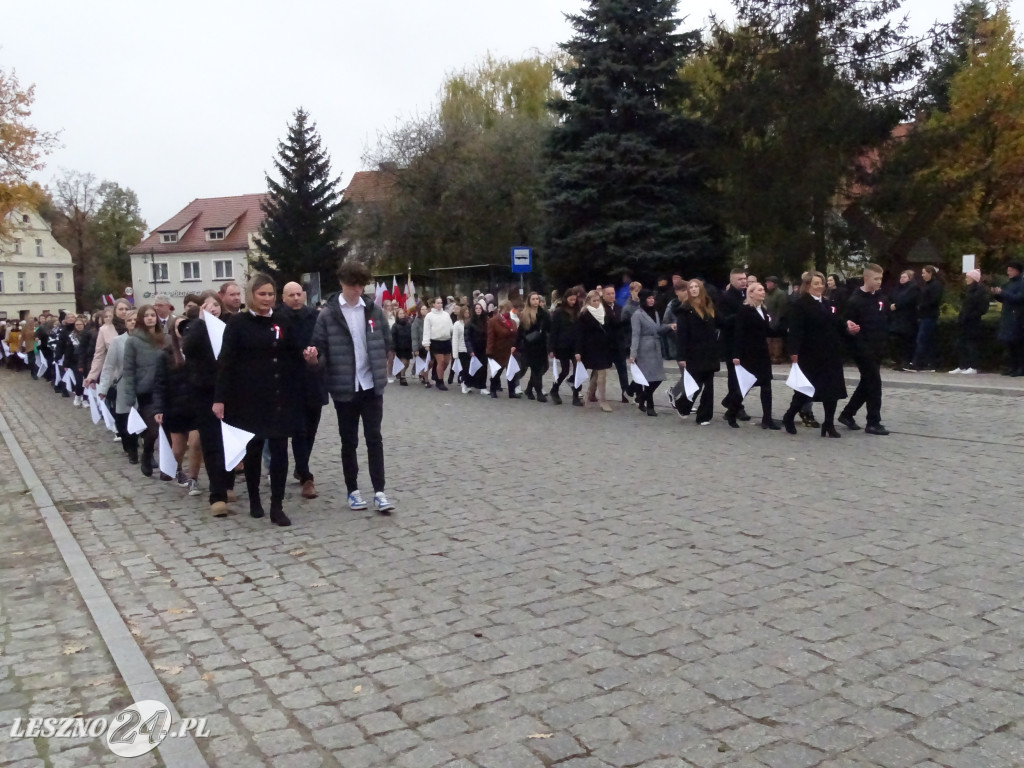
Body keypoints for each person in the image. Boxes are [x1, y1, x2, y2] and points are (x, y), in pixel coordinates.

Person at [304, 260, 395, 515]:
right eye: (354, 284)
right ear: (343, 283)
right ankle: (353, 490)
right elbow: (320, 349)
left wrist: (382, 367)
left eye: (362, 285)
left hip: (371, 385)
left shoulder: (373, 311)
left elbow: (386, 340)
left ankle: (379, 491)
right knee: (349, 441)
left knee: (374, 438)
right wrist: (313, 360)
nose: (358, 289)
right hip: (345, 387)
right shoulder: (328, 314)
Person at [214, 274, 303, 526]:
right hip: (248, 398)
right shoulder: (238, 323)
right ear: (251, 295)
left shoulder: (282, 320)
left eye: (270, 294)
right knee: (253, 451)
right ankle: (255, 498)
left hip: (278, 396)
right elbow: (226, 362)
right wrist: (220, 398)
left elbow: (294, 353)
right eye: (261, 294)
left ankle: (277, 505)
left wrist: (309, 357)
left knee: (279, 450)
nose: (266, 299)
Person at [782, 271, 860, 438]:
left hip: (830, 353)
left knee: (831, 391)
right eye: (815, 283)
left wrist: (847, 326)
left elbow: (835, 321)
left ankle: (829, 424)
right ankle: (789, 416)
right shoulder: (800, 304)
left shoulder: (825, 302)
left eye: (821, 283)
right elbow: (796, 330)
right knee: (804, 390)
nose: (819, 286)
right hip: (809, 354)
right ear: (808, 285)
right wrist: (793, 351)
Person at [182, 292, 237, 517]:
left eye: (216, 304)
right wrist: (202, 322)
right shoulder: (194, 327)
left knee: (232, 442)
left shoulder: (231, 325)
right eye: (208, 305)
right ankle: (217, 495)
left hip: (231, 392)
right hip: (205, 393)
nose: (213, 308)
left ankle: (228, 483)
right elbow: (188, 348)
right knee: (212, 443)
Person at [279, 281, 328, 499]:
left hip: (313, 378)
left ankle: (301, 466)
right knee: (298, 430)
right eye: (291, 295)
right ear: (284, 297)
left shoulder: (315, 316)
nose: (296, 298)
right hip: (290, 381)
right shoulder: (278, 318)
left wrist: (316, 359)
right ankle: (307, 476)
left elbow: (324, 344)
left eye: (299, 294)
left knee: (311, 428)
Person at [838, 264, 890, 435]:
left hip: (878, 346)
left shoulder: (881, 297)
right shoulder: (855, 300)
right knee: (874, 383)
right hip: (862, 348)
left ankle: (847, 414)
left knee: (867, 383)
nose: (879, 282)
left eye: (880, 278)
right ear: (866, 278)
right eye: (876, 279)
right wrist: (850, 330)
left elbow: (885, 319)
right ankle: (873, 421)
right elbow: (846, 324)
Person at [152, 317, 201, 492]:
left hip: (196, 406)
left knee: (196, 443)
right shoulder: (165, 354)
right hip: (176, 407)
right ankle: (177, 469)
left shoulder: (198, 350)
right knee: (178, 449)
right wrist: (158, 408)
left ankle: (193, 477)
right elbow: (159, 384)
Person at [121, 305, 169, 475]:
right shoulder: (133, 341)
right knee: (153, 430)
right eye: (147, 315)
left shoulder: (165, 339)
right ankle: (147, 454)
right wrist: (130, 396)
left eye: (152, 315)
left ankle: (166, 465)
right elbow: (129, 370)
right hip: (146, 391)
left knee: (167, 430)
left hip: (165, 389)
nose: (150, 318)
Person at [731, 282, 782, 429]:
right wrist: (736, 354)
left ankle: (767, 419)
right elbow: (739, 333)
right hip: (748, 354)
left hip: (762, 353)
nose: (763, 292)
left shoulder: (763, 310)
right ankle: (732, 412)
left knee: (766, 385)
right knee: (745, 386)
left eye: (763, 290)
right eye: (759, 290)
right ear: (751, 293)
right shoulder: (745, 310)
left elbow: (768, 331)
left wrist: (785, 331)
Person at [675, 280, 720, 425]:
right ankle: (683, 404)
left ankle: (704, 415)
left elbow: (722, 322)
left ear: (701, 289)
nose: (694, 289)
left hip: (710, 351)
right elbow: (682, 335)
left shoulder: (708, 306)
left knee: (709, 385)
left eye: (696, 287)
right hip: (694, 352)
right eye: (691, 287)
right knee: (696, 383)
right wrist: (681, 355)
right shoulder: (685, 310)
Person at [628, 289, 671, 416]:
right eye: (649, 298)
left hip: (655, 347)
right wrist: (633, 353)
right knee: (649, 379)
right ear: (643, 299)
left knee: (658, 378)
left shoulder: (655, 312)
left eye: (653, 298)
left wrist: (669, 327)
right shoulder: (637, 315)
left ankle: (641, 398)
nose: (652, 300)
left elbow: (658, 329)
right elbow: (635, 335)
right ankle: (650, 406)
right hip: (644, 349)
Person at [717, 268, 751, 422]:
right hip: (731, 342)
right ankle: (736, 407)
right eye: (740, 279)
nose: (743, 281)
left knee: (750, 375)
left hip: (747, 342)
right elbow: (722, 321)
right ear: (731, 281)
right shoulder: (725, 297)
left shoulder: (748, 294)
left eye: (745, 278)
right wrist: (742, 313)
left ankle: (730, 400)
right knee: (735, 376)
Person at [576, 290, 614, 412]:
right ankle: (602, 399)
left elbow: (611, 327)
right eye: (594, 301)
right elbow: (580, 334)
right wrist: (578, 351)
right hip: (591, 347)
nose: (597, 303)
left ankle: (588, 395)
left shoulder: (604, 311)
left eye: (598, 300)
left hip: (604, 346)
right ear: (588, 301)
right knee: (602, 373)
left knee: (597, 373)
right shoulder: (584, 314)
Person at [949, 269, 989, 375]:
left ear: (974, 279)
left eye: (968, 277)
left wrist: (972, 315)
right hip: (964, 321)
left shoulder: (980, 290)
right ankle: (963, 365)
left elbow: (983, 307)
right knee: (960, 343)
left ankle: (973, 366)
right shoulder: (968, 290)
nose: (966, 279)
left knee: (971, 344)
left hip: (973, 321)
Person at [548, 287, 583, 405]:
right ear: (566, 299)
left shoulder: (578, 312)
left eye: (574, 300)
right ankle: (555, 389)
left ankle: (576, 396)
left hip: (576, 345)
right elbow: (553, 331)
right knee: (565, 370)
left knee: (577, 370)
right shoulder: (559, 312)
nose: (573, 302)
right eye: (571, 299)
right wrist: (551, 348)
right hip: (562, 345)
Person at [992, 260, 1024, 376]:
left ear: (1017, 271)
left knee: (1018, 344)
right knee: (1009, 343)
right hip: (1008, 316)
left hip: (1017, 316)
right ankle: (1012, 366)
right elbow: (1005, 298)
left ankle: (1020, 367)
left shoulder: (1021, 283)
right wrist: (997, 294)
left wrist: (1003, 293)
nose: (1008, 272)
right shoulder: (1008, 283)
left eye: (1010, 270)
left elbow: (1018, 298)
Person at [601, 285, 632, 403]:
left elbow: (624, 325)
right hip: (606, 345)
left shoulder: (620, 307)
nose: (611, 296)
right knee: (599, 371)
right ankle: (593, 393)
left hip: (619, 344)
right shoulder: (601, 308)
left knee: (622, 370)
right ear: (603, 296)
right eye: (608, 294)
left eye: (613, 293)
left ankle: (625, 393)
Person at [517, 292, 550, 402]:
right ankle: (539, 392)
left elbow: (549, 327)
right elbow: (520, 331)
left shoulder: (544, 313)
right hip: (530, 346)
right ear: (529, 301)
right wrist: (515, 345)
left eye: (537, 299)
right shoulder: (525, 314)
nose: (536, 301)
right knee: (536, 369)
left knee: (541, 368)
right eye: (533, 299)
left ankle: (529, 389)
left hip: (542, 345)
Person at [911, 265, 943, 372]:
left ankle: (918, 363)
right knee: (927, 340)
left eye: (924, 273)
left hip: (930, 316)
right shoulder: (927, 285)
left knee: (922, 339)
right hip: (924, 315)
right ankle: (929, 362)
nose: (922, 275)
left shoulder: (936, 285)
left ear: (930, 273)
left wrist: (922, 305)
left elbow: (934, 300)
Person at [486, 300, 519, 399]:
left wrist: (515, 346)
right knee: (497, 372)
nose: (507, 312)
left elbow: (515, 335)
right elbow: (491, 337)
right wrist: (489, 351)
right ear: (500, 309)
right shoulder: (493, 321)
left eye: (509, 310)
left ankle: (512, 391)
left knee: (511, 371)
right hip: (498, 349)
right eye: (506, 310)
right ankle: (493, 389)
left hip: (510, 350)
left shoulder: (512, 321)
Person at [889, 269, 919, 371]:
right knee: (895, 340)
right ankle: (898, 361)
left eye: (904, 277)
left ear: (909, 278)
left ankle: (905, 361)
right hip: (897, 318)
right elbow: (892, 297)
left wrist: (897, 305)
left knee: (906, 341)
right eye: (901, 277)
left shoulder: (913, 288)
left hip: (907, 318)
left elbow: (908, 300)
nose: (902, 279)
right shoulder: (898, 288)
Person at [423, 296, 454, 390]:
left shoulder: (446, 314)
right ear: (433, 304)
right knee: (440, 361)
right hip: (436, 341)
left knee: (446, 362)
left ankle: (436, 375)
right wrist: (426, 343)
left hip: (446, 341)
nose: (440, 304)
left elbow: (451, 327)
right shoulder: (429, 316)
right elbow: (426, 330)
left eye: (441, 303)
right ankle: (440, 381)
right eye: (438, 303)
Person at [464, 302, 490, 394]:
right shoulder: (469, 323)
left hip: (483, 348)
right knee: (472, 368)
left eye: (480, 308)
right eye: (476, 308)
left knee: (483, 367)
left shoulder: (485, 322)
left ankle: (482, 386)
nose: (478, 310)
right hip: (474, 348)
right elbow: (467, 338)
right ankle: (467, 383)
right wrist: (470, 350)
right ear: (473, 310)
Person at [763, 276, 788, 365]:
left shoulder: (780, 294)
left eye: (768, 282)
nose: (766, 284)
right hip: (768, 319)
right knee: (769, 339)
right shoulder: (766, 294)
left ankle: (776, 357)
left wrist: (776, 321)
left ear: (773, 284)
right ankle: (770, 355)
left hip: (777, 320)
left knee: (777, 339)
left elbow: (781, 309)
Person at [452, 305, 472, 394]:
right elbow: (455, 339)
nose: (467, 314)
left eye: (468, 312)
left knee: (469, 369)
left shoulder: (471, 323)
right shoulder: (457, 324)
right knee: (464, 368)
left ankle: (467, 383)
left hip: (470, 349)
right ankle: (463, 383)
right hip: (461, 349)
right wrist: (455, 353)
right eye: (465, 312)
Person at [391, 307, 413, 386]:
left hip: (408, 346)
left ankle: (400, 373)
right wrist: (393, 348)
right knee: (404, 362)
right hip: (399, 347)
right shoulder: (395, 326)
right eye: (400, 314)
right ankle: (402, 377)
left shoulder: (408, 324)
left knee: (407, 363)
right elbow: (393, 337)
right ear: (397, 315)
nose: (402, 315)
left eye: (403, 313)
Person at [411, 304, 431, 388]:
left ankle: (421, 373)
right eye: (422, 309)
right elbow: (414, 337)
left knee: (430, 362)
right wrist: (415, 349)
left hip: (429, 344)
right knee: (425, 362)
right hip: (421, 345)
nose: (424, 311)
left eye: (426, 309)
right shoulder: (416, 322)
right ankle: (426, 380)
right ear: (419, 311)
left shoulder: (429, 319)